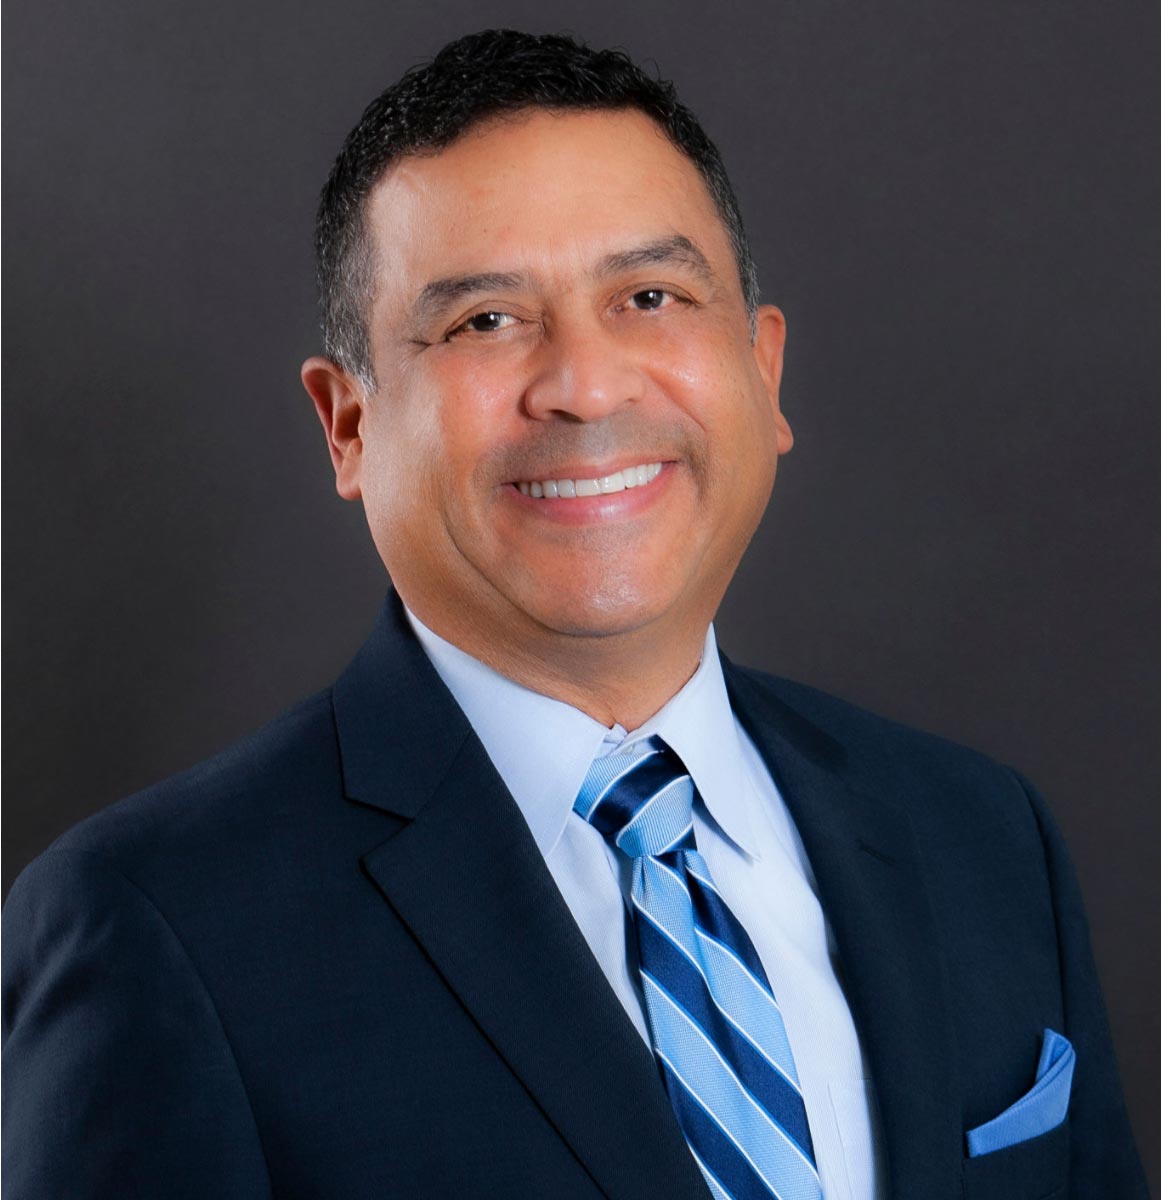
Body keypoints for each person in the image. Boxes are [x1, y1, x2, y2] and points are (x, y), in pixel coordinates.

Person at [1, 29, 1147, 1200]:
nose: (587, 387)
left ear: (764, 371)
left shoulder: (982, 837)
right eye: (484, 321)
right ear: (348, 425)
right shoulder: (155, 927)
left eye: (649, 297)